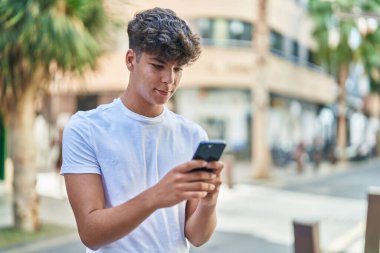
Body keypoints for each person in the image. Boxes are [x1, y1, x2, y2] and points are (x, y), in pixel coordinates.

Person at [61, 7, 224, 253]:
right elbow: (90, 233)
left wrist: (209, 202)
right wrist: (157, 196)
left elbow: (197, 237)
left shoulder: (193, 135)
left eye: (177, 69)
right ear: (130, 60)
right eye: (158, 66)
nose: (169, 79)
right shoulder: (86, 128)